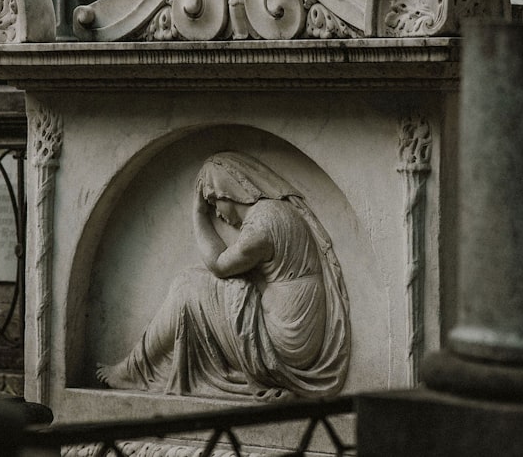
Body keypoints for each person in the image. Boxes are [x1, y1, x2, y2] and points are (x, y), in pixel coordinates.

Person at [96, 151, 349, 399]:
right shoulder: (277, 212)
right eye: (209, 206)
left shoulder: (261, 229)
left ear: (228, 192)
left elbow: (218, 264)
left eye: (214, 202)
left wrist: (198, 214)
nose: (216, 212)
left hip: (284, 342)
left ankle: (133, 371)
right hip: (299, 332)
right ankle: (136, 367)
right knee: (201, 285)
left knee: (187, 287)